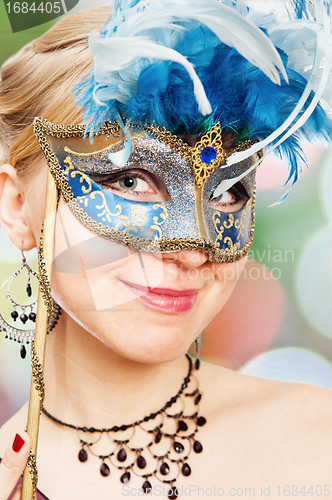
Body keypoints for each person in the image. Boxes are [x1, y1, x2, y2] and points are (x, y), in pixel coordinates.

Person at [0, 1, 332, 499]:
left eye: (225, 191)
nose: (193, 247)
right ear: (17, 204)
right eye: (131, 180)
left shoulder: (317, 444)